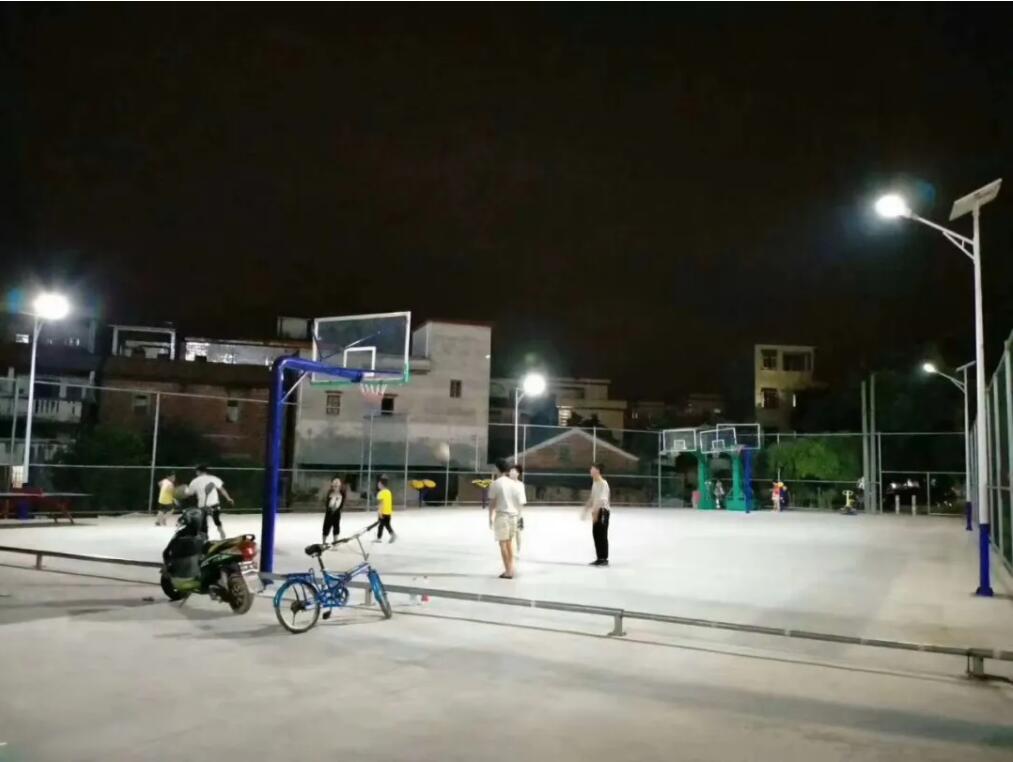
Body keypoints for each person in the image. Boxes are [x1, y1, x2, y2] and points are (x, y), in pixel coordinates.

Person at [488, 459, 520, 578]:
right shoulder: (513, 483)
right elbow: (517, 501)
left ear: (497, 469)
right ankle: (511, 568)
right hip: (513, 516)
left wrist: (490, 517)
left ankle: (508, 571)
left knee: (502, 544)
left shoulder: (496, 483)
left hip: (502, 515)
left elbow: (492, 503)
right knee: (509, 543)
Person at [187, 465, 235, 540]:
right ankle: (221, 532)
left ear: (198, 472)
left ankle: (205, 538)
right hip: (214, 504)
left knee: (203, 523)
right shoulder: (214, 478)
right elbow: (222, 489)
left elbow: (190, 493)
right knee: (216, 520)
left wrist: (185, 491)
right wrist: (228, 498)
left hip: (202, 506)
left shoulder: (194, 481)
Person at [583, 462, 610, 566]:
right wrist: (586, 509)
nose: (590, 471)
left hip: (603, 511)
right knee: (596, 534)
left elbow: (602, 500)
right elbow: (592, 498)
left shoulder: (603, 483)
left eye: (592, 469)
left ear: (598, 470)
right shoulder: (595, 483)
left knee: (602, 534)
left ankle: (604, 559)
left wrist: (595, 512)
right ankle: (599, 558)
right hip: (596, 511)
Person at [322, 475, 347, 544]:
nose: (335, 487)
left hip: (337, 513)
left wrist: (337, 509)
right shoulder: (330, 493)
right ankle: (324, 542)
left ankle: (335, 541)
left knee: (336, 527)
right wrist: (330, 509)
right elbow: (327, 503)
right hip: (329, 512)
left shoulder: (342, 493)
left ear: (340, 486)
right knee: (326, 527)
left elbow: (341, 503)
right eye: (334, 486)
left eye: (337, 486)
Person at [509, 464, 527, 556]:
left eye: (514, 471)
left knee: (517, 532)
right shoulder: (506, 483)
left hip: (516, 512)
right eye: (511, 471)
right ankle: (509, 550)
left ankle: (518, 549)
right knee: (508, 533)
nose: (511, 473)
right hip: (506, 512)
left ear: (518, 473)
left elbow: (522, 500)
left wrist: (520, 514)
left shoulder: (520, 485)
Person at [375, 475, 397, 543]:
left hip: (383, 512)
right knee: (387, 525)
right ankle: (392, 534)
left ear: (381, 485)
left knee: (381, 526)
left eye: (378, 484)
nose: (378, 485)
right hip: (388, 512)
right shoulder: (388, 492)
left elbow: (381, 504)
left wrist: (380, 512)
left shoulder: (380, 493)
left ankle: (379, 538)